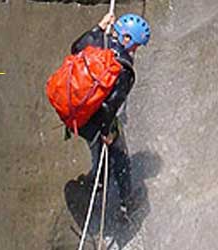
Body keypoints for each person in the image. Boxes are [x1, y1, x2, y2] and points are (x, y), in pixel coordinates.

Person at [70, 12, 150, 216]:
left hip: (74, 109)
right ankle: (126, 204)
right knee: (119, 153)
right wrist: (108, 132)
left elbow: (75, 48)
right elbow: (109, 107)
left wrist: (98, 27)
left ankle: (98, 178)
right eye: (136, 45)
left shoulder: (98, 39)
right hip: (93, 118)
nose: (135, 50)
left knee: (97, 147)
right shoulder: (124, 68)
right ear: (127, 39)